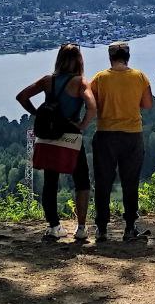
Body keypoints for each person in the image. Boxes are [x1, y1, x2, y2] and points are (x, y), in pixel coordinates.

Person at [17, 44, 97, 241]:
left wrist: (38, 114)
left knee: (50, 182)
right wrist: (82, 125)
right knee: (82, 181)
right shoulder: (80, 82)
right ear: (79, 60)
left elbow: (22, 96)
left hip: (48, 135)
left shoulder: (47, 81)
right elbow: (92, 106)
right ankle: (81, 228)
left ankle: (54, 227)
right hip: (71, 136)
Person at [90, 42, 154, 242]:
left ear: (110, 58)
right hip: (132, 135)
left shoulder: (100, 78)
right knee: (130, 182)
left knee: (103, 182)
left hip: (106, 134)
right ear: (128, 57)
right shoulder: (139, 77)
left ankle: (101, 228)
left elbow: (93, 104)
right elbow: (148, 104)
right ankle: (129, 227)